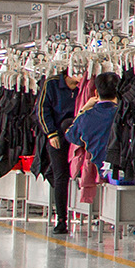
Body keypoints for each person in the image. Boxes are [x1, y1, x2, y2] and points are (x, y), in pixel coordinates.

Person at [37, 72, 80, 234]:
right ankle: (61, 220)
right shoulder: (52, 84)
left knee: (64, 175)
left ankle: (74, 204)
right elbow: (42, 110)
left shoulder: (86, 85)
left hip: (77, 133)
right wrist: (51, 133)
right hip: (57, 135)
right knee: (61, 175)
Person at [65, 72, 121, 174]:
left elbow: (71, 135)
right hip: (124, 169)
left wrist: (84, 109)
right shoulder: (124, 115)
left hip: (98, 170)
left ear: (96, 93)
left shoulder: (85, 117)